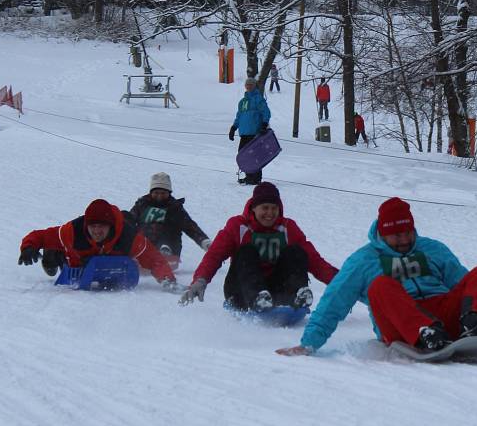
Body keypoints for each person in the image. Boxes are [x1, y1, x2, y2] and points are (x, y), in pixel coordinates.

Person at [276, 197, 477, 356]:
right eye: (397, 235)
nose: (404, 240)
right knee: (380, 286)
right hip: (399, 323)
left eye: (407, 233)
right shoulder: (364, 260)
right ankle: (423, 333)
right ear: (383, 234)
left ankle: (472, 324)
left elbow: (464, 284)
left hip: (443, 312)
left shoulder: (432, 248)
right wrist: (309, 343)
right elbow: (334, 301)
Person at [179, 182, 338, 311]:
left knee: (296, 252)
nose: (270, 213)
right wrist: (200, 280)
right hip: (241, 291)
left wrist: (343, 282)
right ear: (253, 208)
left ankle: (296, 296)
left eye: (274, 208)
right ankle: (257, 298)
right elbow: (215, 255)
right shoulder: (238, 226)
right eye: (265, 208)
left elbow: (314, 260)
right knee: (246, 251)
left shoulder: (288, 228)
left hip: (276, 290)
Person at [18, 198, 179, 290]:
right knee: (58, 248)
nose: (96, 231)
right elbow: (40, 235)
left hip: (104, 265)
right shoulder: (73, 231)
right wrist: (28, 247)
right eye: (93, 226)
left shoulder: (128, 237)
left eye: (101, 226)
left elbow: (154, 259)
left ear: (110, 225)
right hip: (75, 260)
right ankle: (50, 254)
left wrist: (167, 280)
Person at [130, 172, 211, 267]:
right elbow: (130, 219)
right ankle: (137, 253)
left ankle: (165, 250)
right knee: (138, 230)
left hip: (170, 245)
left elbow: (189, 225)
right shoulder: (142, 204)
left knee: (168, 225)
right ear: (151, 192)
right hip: (144, 244)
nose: (159, 196)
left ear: (169, 193)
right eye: (156, 193)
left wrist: (204, 241)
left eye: (163, 193)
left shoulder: (175, 207)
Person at [228, 77, 271, 185]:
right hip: (244, 133)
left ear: (254, 86)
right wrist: (234, 127)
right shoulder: (242, 102)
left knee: (255, 156)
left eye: (251, 85)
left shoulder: (258, 99)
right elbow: (239, 116)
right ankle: (249, 176)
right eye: (247, 85)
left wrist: (264, 124)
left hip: (255, 132)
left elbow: (266, 112)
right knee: (243, 155)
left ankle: (256, 178)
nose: (248, 87)